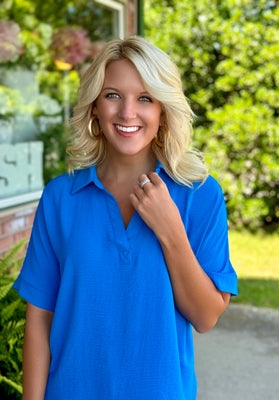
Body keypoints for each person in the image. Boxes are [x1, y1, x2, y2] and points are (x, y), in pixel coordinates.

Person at [13, 36, 238, 400]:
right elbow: (40, 317)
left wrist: (170, 231)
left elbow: (205, 317)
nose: (128, 113)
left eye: (145, 98)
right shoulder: (60, 197)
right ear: (95, 107)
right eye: (113, 95)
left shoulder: (199, 194)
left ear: (163, 111)